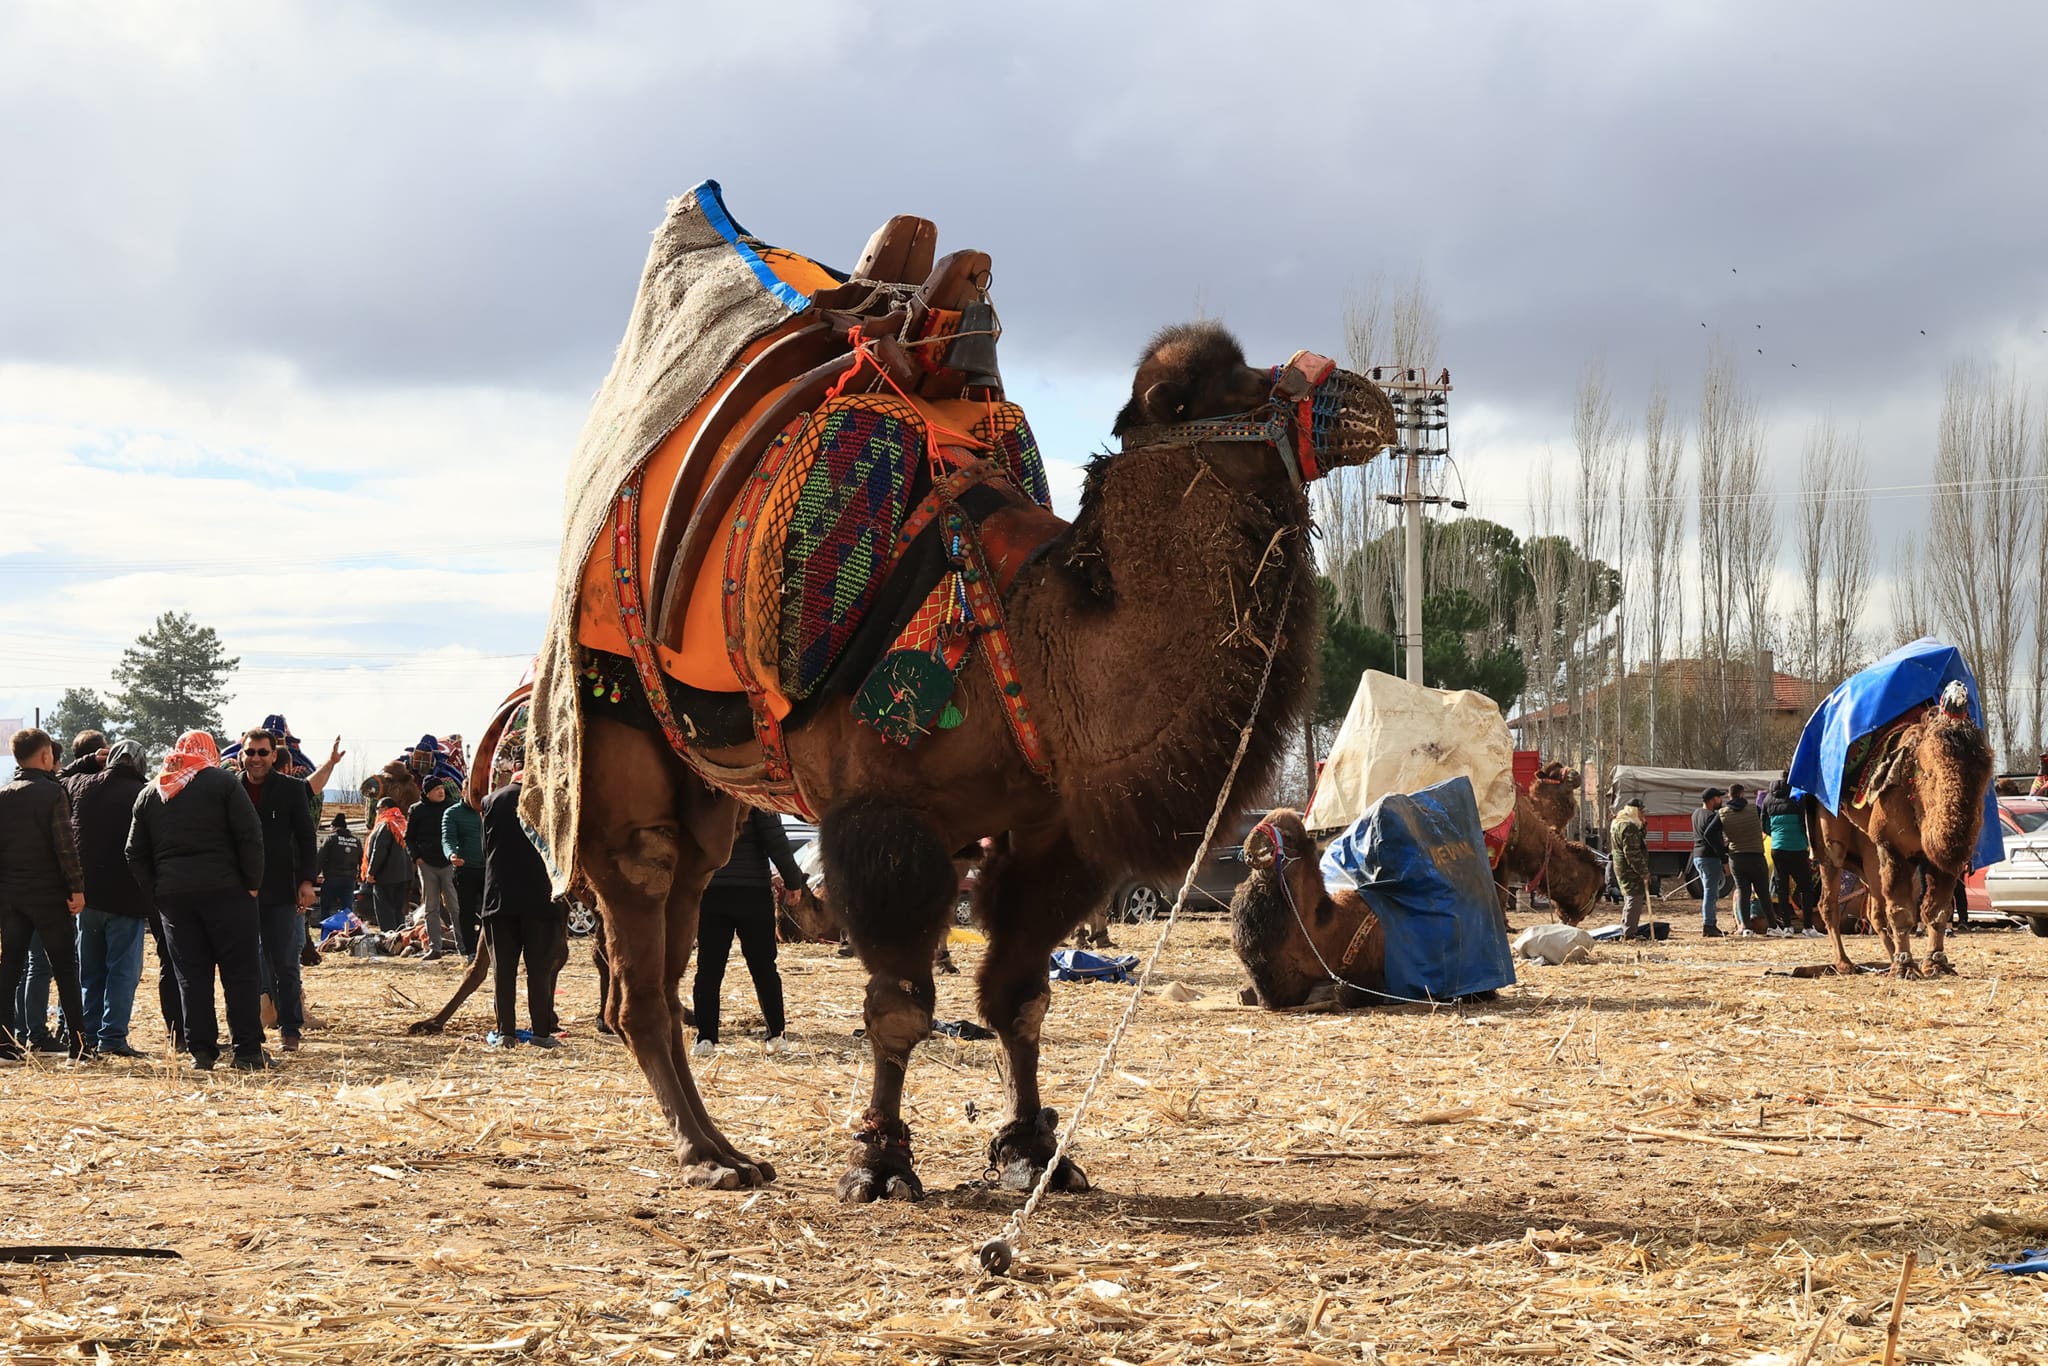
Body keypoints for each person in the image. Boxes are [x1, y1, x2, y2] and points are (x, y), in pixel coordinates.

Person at [125, 730, 269, 1071]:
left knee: (191, 975)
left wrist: (156, 891)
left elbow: (134, 852)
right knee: (239, 973)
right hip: (227, 893)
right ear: (210, 752)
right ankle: (247, 1051)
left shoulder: (152, 792)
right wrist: (252, 883)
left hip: (175, 899)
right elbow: (250, 836)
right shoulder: (224, 783)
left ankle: (201, 1051)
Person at [0, 728, 88, 1059]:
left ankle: (4, 1041)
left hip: (11, 896)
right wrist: (76, 887)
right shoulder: (53, 793)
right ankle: (79, 1044)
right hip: (49, 894)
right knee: (65, 966)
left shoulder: (4, 793)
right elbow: (66, 847)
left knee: (10, 966)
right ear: (46, 756)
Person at [693, 809, 807, 1057]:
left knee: (709, 969)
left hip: (712, 893)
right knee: (764, 968)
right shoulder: (751, 795)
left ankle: (705, 1038)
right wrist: (793, 881)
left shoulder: (704, 793)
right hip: (752, 893)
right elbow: (775, 839)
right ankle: (776, 1035)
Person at [70, 738, 151, 1057]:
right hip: (127, 898)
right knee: (122, 971)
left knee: (89, 971)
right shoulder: (144, 794)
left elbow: (58, 777)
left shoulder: (82, 785)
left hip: (86, 896)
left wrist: (88, 760)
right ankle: (113, 1037)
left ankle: (87, 1034)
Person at [236, 728, 316, 1052]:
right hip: (239, 891)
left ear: (274, 755)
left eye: (262, 752)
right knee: (243, 963)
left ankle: (291, 1029)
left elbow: (307, 838)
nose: (256, 758)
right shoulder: (230, 789)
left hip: (281, 889)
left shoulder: (291, 790)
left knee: (284, 962)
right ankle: (247, 1029)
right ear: (241, 755)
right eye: (250, 752)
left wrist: (307, 882)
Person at [480, 776, 562, 1048]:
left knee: (503, 970)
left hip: (500, 895)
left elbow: (485, 848)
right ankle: (541, 1033)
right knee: (539, 969)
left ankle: (505, 1033)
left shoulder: (491, 801)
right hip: (540, 895)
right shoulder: (551, 798)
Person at [1761, 777, 1821, 936]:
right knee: (1806, 887)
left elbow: (1764, 826)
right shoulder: (1797, 797)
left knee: (1782, 888)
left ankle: (1787, 927)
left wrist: (1777, 834)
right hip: (1798, 848)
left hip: (1777, 848)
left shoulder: (1768, 799)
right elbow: (1805, 822)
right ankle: (1808, 927)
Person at [406, 777, 458, 959]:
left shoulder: (452, 808)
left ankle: (463, 946)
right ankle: (435, 948)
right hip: (427, 864)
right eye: (436, 789)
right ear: (427, 792)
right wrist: (417, 858)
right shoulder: (417, 810)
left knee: (454, 905)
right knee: (431, 907)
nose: (441, 792)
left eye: (442, 788)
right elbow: (409, 837)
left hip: (448, 863)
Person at [1719, 782, 1773, 936]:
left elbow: (1710, 833)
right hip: (1756, 855)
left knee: (1743, 892)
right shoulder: (1754, 809)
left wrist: (1723, 849)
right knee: (1763, 892)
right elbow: (1765, 826)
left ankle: (1746, 927)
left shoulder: (1723, 813)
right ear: (1742, 794)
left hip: (1737, 858)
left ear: (1730, 795)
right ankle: (1773, 926)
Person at [441, 784, 485, 962]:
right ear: (463, 791)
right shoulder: (452, 813)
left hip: (488, 868)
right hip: (465, 869)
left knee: (491, 912)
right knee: (466, 912)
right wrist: (451, 854)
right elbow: (447, 837)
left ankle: (489, 948)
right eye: (471, 790)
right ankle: (470, 951)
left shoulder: (488, 809)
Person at [363, 798, 412, 932]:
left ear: (384, 808)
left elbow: (379, 850)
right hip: (404, 875)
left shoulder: (386, 824)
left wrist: (371, 872)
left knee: (385, 910)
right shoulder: (403, 823)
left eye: (378, 809)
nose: (377, 812)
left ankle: (389, 939)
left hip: (385, 876)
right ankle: (400, 937)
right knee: (398, 910)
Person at [1609, 797, 1651, 941]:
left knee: (1631, 898)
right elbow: (1632, 853)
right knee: (1634, 898)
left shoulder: (1618, 823)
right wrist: (1643, 871)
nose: (1642, 814)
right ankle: (1629, 933)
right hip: (1629, 869)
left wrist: (1643, 825)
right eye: (1641, 811)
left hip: (1621, 866)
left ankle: (1627, 930)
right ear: (1634, 810)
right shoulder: (1628, 827)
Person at [1691, 787, 1730, 938]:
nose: (1721, 801)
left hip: (1697, 856)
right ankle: (1709, 925)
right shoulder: (1712, 816)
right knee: (1711, 893)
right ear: (1712, 800)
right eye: (1719, 798)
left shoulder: (1696, 814)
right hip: (1709, 857)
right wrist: (1724, 858)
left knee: (1709, 891)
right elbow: (1711, 838)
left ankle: (1711, 923)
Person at [316, 814, 362, 924]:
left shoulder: (331, 839)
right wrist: (360, 876)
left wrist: (314, 875)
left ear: (334, 827)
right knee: (347, 911)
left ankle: (325, 936)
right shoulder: (356, 841)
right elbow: (362, 860)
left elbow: (320, 858)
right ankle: (347, 935)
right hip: (349, 881)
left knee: (326, 909)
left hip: (332, 879)